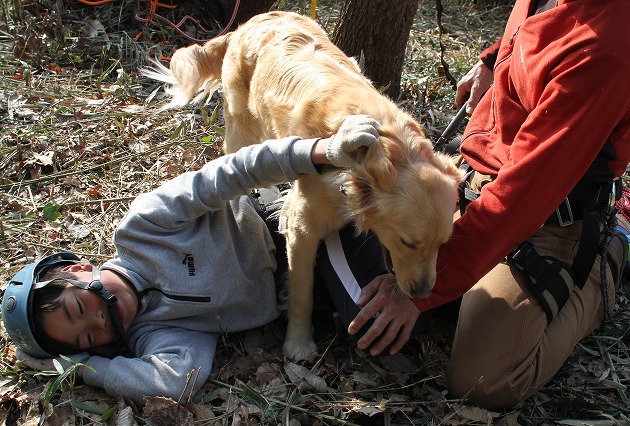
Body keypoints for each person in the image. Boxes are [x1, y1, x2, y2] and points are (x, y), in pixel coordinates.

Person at [344, 0, 630, 409]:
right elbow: (543, 28)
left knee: (483, 380)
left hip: (550, 218)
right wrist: (492, 60)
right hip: (481, 181)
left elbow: (523, 197)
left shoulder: (611, 45)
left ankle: (608, 259)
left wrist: (419, 293)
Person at [2, 115, 388, 406]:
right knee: (382, 329)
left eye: (78, 308)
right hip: (307, 288)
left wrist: (320, 151)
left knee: (405, 223)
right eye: (88, 338)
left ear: (77, 270)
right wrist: (79, 368)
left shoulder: (142, 229)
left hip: (291, 215)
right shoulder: (153, 333)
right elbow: (173, 382)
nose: (98, 320)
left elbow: (233, 171)